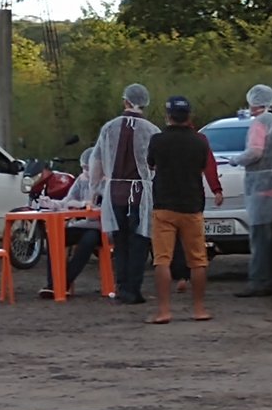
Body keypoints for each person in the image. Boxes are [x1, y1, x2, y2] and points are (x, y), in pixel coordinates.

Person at [146, 96, 219, 324]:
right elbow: (202, 166)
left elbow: (151, 164)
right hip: (191, 206)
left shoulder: (157, 140)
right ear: (190, 116)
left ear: (168, 116)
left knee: (162, 260)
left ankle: (164, 311)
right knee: (197, 260)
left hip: (164, 206)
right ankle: (198, 309)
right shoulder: (200, 142)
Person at [89, 83, 162, 305]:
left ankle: (121, 286)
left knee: (120, 242)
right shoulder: (151, 130)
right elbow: (156, 165)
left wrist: (95, 189)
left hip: (115, 192)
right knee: (139, 241)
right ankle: (133, 288)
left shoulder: (109, 128)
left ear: (126, 101)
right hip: (140, 193)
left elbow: (97, 161)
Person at [229, 84, 272, 297]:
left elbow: (255, 152)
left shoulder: (260, 123)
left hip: (261, 185)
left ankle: (258, 281)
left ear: (255, 103)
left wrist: (236, 159)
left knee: (259, 236)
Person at [36, 146, 102, 299]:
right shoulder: (81, 180)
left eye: (89, 167)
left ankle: (63, 282)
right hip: (82, 224)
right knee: (55, 237)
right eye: (84, 168)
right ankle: (53, 284)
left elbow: (104, 207)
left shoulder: (106, 182)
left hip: (100, 228)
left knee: (89, 240)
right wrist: (52, 204)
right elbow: (67, 201)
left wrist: (84, 205)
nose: (86, 172)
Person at [170, 116, 224, 293]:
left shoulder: (164, 139)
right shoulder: (199, 140)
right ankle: (194, 272)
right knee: (193, 236)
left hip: (168, 194)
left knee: (174, 236)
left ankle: (180, 274)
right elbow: (210, 165)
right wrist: (216, 189)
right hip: (193, 193)